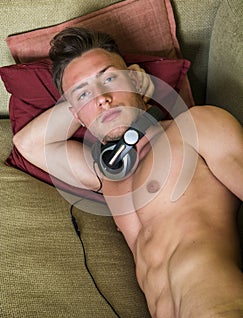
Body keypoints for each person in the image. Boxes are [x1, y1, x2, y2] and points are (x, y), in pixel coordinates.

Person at [13, 27, 243, 318]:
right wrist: (81, 104)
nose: (102, 98)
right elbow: (29, 144)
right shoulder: (109, 175)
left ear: (135, 78)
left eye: (109, 78)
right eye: (84, 94)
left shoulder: (197, 127)